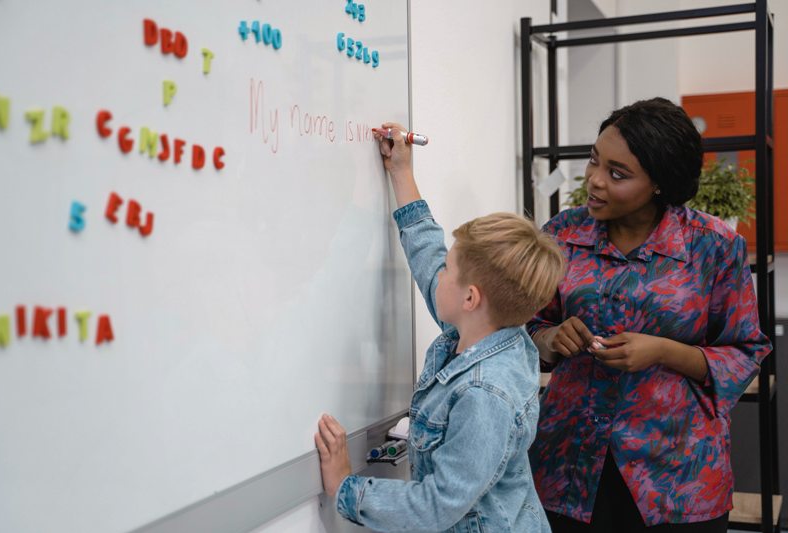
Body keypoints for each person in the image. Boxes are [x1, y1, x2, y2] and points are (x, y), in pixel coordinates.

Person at [527, 97, 772, 532]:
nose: (595, 182)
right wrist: (548, 339)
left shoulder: (712, 246)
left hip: (677, 477)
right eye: (594, 161)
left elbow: (744, 350)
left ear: (660, 183)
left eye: (617, 174)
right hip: (569, 468)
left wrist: (664, 351)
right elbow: (525, 325)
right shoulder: (561, 235)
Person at [314, 123, 565, 532]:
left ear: (470, 298)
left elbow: (436, 506)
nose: (439, 271)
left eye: (450, 267)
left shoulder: (485, 394)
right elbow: (427, 252)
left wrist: (345, 486)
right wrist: (401, 172)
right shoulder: (486, 328)